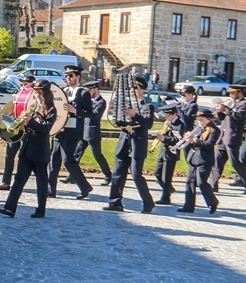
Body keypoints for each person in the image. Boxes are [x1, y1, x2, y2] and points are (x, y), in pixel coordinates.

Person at [0, 79, 57, 218]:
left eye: (39, 93)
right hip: (27, 149)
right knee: (19, 179)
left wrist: (30, 120)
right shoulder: (34, 107)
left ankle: (40, 210)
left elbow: (45, 129)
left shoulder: (52, 111)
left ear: (46, 94)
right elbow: (27, 126)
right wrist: (20, 122)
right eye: (36, 93)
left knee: (41, 182)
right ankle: (9, 208)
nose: (37, 96)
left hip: (40, 151)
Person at [103, 76, 155, 213]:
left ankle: (148, 202)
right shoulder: (125, 104)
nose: (132, 90)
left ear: (142, 90)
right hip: (124, 140)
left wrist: (135, 114)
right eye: (131, 88)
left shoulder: (147, 106)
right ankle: (115, 202)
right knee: (118, 173)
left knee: (136, 174)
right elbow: (118, 122)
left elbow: (148, 124)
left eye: (135, 88)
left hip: (137, 142)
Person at [47, 65, 93, 200]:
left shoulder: (83, 93)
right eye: (66, 76)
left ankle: (84, 186)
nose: (68, 78)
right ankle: (51, 189)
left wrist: (76, 111)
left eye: (71, 76)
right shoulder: (63, 91)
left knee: (68, 161)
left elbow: (90, 113)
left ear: (78, 77)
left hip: (72, 131)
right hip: (59, 129)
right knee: (53, 160)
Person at [0, 74, 35, 192]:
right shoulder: (19, 94)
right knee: (9, 155)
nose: (23, 86)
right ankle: (5, 182)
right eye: (22, 84)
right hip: (16, 127)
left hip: (27, 130)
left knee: (25, 158)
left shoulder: (35, 96)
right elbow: (13, 108)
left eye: (26, 84)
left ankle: (20, 182)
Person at [178, 109, 219, 214]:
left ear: (209, 119)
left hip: (204, 159)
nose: (199, 122)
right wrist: (189, 139)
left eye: (201, 120)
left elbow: (209, 145)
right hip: (194, 157)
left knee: (201, 183)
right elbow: (195, 143)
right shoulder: (200, 129)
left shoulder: (214, 130)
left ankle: (213, 202)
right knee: (189, 182)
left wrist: (195, 140)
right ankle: (188, 206)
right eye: (198, 120)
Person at [72, 80, 112, 186]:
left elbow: (93, 115)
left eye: (90, 90)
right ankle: (72, 176)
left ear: (96, 89)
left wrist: (81, 112)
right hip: (84, 131)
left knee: (97, 155)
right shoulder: (89, 101)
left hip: (92, 133)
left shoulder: (101, 102)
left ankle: (108, 175)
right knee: (76, 154)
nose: (89, 92)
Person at [209, 84, 246, 192]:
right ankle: (213, 184)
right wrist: (220, 110)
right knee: (217, 162)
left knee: (235, 163)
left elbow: (238, 117)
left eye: (232, 92)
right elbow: (223, 118)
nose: (230, 95)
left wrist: (226, 109)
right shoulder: (231, 103)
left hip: (232, 137)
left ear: (240, 92)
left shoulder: (243, 104)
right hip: (223, 136)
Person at [153, 104, 184, 205]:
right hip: (163, 151)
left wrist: (163, 138)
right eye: (166, 115)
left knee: (166, 177)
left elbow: (178, 140)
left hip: (171, 152)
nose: (166, 117)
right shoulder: (168, 123)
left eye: (168, 115)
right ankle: (169, 189)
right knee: (157, 173)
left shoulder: (180, 124)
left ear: (175, 114)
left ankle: (165, 198)